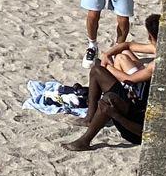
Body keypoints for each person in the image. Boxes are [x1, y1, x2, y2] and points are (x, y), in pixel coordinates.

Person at [66, 15, 160, 150]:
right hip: (136, 100)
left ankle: (85, 141)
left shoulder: (154, 65)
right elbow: (128, 45)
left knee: (110, 98)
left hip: (134, 125)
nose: (148, 39)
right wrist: (106, 55)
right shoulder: (158, 49)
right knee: (97, 70)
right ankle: (90, 117)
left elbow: (130, 79)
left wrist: (108, 67)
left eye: (149, 36)